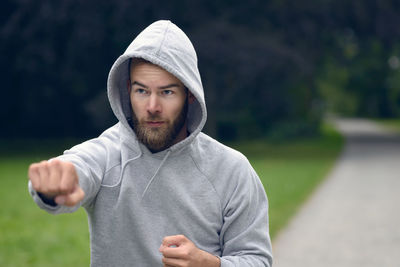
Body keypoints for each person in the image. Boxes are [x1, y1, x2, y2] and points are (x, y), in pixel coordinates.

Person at [28, 20, 273, 267]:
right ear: (128, 90)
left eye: (167, 92)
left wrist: (210, 264)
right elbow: (78, 165)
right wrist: (54, 183)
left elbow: (257, 260)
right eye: (142, 91)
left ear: (189, 94)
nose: (152, 107)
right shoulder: (107, 154)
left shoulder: (232, 170)